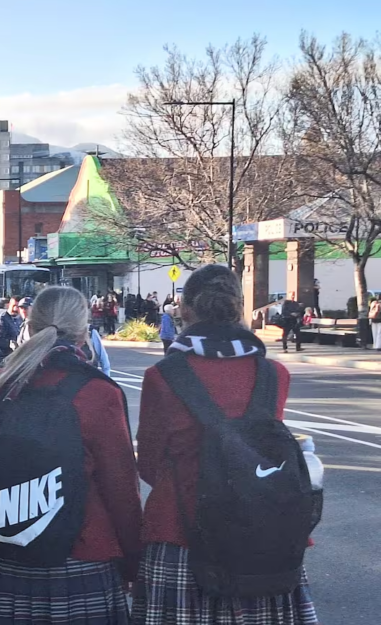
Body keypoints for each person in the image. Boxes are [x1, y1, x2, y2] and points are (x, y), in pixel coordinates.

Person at [132, 264, 318, 624]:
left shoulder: (162, 376)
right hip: (259, 531)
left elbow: (149, 464)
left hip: (180, 529)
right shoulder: (273, 374)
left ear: (185, 309)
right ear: (239, 306)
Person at [0, 286, 142, 623]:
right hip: (83, 557)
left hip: (0, 555)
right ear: (84, 330)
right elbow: (121, 490)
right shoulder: (99, 393)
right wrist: (132, 561)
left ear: (28, 323)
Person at [0, 296, 21, 368]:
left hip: (14, 358)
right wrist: (10, 343)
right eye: (14, 306)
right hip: (3, 360)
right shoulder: (2, 319)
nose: (15, 309)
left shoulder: (18, 319)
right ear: (8, 305)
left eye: (18, 306)